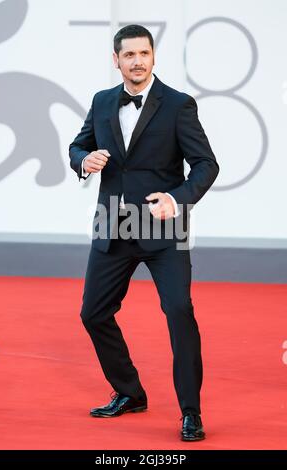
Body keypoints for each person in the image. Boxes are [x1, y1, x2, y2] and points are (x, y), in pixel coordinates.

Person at [69, 24, 219, 441]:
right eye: (129, 54)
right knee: (93, 313)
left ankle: (191, 412)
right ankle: (129, 392)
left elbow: (206, 164)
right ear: (115, 59)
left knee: (178, 312)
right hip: (112, 222)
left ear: (153, 57)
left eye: (144, 53)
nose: (137, 61)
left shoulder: (177, 104)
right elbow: (76, 147)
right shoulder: (101, 102)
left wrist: (178, 198)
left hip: (165, 225)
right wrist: (85, 159)